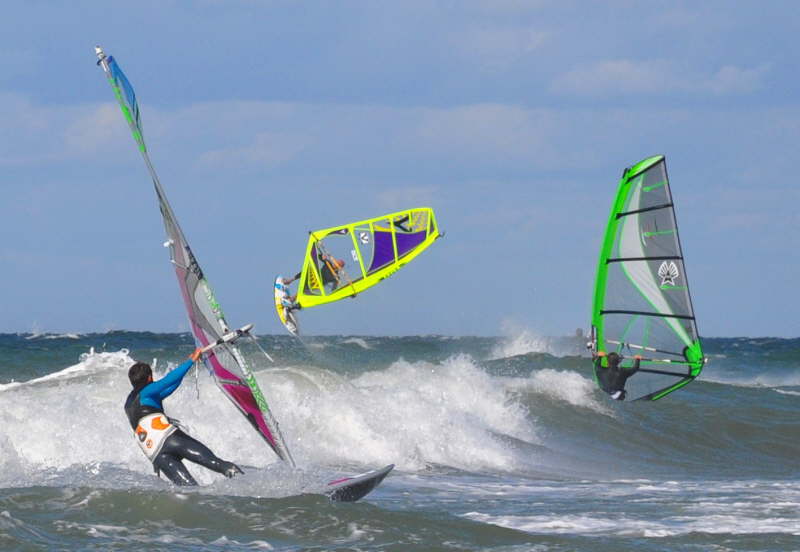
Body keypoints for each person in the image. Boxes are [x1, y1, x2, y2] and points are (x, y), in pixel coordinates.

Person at [125, 348, 244, 486]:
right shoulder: (147, 392)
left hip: (157, 455)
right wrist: (191, 361)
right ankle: (248, 484)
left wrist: (186, 368)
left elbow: (170, 386)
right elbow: (168, 380)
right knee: (216, 463)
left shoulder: (129, 404)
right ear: (149, 378)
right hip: (170, 439)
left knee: (189, 488)